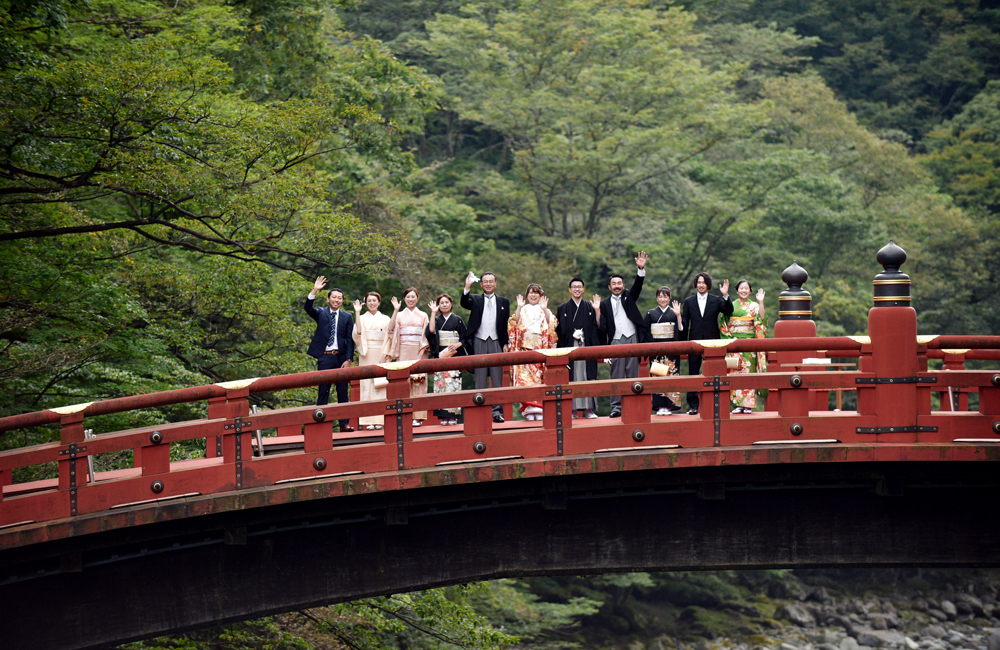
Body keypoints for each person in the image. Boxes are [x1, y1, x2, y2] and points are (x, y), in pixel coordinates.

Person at [599, 252, 651, 418]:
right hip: (615, 340)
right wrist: (605, 349)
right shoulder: (604, 303)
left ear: (623, 285)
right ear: (609, 287)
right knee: (616, 374)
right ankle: (616, 407)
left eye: (619, 283)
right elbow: (603, 327)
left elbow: (638, 286)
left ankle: (634, 406)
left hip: (632, 337)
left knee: (633, 373)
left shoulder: (629, 296)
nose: (616, 286)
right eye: (613, 284)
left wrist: (640, 269)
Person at [305, 276, 355, 432]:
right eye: (334, 297)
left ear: (342, 301)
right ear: (328, 299)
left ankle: (344, 424)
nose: (337, 300)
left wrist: (348, 359)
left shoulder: (347, 317)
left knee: (342, 392)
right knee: (323, 391)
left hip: (340, 357)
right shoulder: (321, 313)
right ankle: (321, 423)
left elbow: (350, 340)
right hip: (325, 356)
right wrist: (315, 290)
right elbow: (308, 308)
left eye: (339, 298)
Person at [461, 271, 511, 423]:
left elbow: (505, 324)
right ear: (481, 284)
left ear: (496, 284)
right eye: (485, 281)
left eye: (491, 281)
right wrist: (467, 287)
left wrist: (505, 343)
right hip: (479, 340)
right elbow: (464, 303)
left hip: (496, 340)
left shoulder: (504, 302)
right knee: (480, 377)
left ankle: (497, 412)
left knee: (497, 378)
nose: (488, 284)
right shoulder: (476, 299)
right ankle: (480, 411)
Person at [681, 272, 733, 415]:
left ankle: (714, 404)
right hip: (694, 341)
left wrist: (726, 296)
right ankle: (693, 405)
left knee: (714, 373)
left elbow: (729, 311)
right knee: (693, 372)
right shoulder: (689, 301)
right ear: (695, 284)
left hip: (712, 341)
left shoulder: (716, 300)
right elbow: (685, 323)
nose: (701, 285)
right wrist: (683, 343)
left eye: (704, 282)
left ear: (708, 284)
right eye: (699, 282)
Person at [507, 284, 559, 420]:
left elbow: (552, 324)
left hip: (540, 350)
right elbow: (513, 324)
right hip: (524, 350)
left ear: (540, 295)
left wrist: (545, 309)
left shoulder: (544, 310)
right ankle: (529, 410)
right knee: (524, 380)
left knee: (538, 380)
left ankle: (539, 409)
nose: (533, 295)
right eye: (531, 292)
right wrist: (518, 307)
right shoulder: (523, 309)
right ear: (527, 295)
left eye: (536, 293)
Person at [382, 288, 430, 427]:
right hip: (403, 349)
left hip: (419, 349)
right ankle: (404, 414)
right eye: (408, 297)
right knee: (404, 381)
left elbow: (425, 336)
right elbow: (390, 330)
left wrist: (421, 351)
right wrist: (395, 310)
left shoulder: (423, 315)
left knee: (419, 381)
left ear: (417, 299)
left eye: (413, 297)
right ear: (404, 299)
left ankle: (418, 416)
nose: (411, 299)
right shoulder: (399, 315)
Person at [720, 280, 768, 413]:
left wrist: (761, 302)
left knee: (748, 373)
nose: (744, 291)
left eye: (746, 288)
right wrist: (730, 339)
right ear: (736, 291)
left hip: (749, 345)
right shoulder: (731, 305)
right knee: (734, 373)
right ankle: (737, 405)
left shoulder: (753, 306)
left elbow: (762, 321)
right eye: (741, 288)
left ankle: (748, 405)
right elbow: (723, 323)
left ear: (750, 291)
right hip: (734, 344)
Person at [556, 277, 602, 419]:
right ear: (570, 290)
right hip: (570, 346)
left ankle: (589, 409)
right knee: (572, 377)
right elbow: (559, 330)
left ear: (583, 289)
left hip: (586, 346)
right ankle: (572, 410)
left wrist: (597, 310)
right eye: (574, 287)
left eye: (580, 287)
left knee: (587, 377)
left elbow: (598, 326)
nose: (577, 289)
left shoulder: (589, 307)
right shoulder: (562, 308)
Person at [427, 293, 467, 426]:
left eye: (446, 302)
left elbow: (465, 337)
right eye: (441, 303)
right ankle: (444, 417)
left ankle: (453, 416)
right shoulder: (437, 320)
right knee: (441, 385)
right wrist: (433, 313)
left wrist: (458, 344)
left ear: (451, 304)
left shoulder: (458, 319)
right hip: (441, 355)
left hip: (454, 354)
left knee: (454, 385)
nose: (444, 305)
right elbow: (431, 330)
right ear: (438, 306)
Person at [352, 291, 390, 430]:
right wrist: (357, 312)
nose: (372, 303)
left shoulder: (386, 318)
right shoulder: (361, 317)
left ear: (379, 302)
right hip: (366, 352)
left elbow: (389, 338)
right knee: (366, 386)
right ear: (365, 303)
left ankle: (380, 420)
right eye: (369, 301)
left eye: (374, 300)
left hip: (380, 353)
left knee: (380, 386)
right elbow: (358, 334)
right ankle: (368, 420)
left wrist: (385, 354)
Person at [645, 286, 683, 416]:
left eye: (665, 296)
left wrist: (678, 316)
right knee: (657, 376)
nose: (662, 299)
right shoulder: (651, 313)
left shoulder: (673, 312)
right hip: (656, 350)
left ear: (669, 298)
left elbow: (681, 330)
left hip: (671, 349)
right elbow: (646, 332)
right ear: (656, 298)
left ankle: (670, 406)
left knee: (671, 376)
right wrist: (653, 347)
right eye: (660, 296)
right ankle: (660, 405)